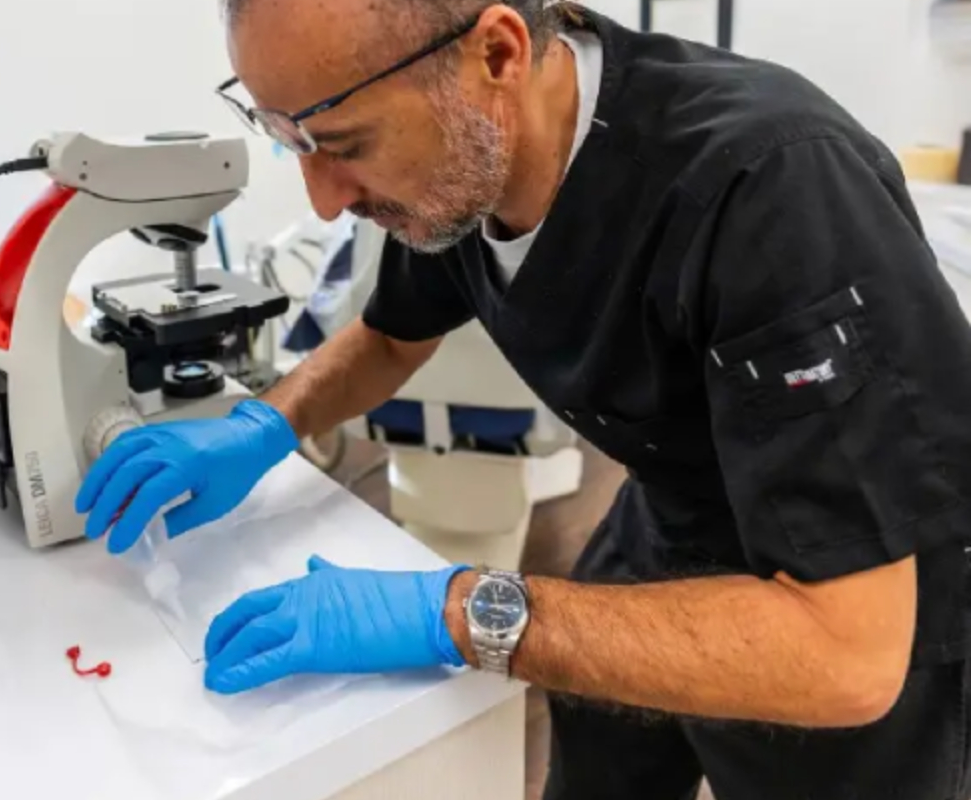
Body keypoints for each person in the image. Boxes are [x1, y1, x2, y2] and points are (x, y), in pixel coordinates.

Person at [74, 2, 971, 798]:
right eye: (294, 144)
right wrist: (262, 425)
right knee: (598, 743)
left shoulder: (770, 188)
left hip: (863, 581)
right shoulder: (466, 159)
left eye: (344, 145)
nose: (323, 200)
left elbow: (846, 656)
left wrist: (461, 610)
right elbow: (391, 336)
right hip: (676, 509)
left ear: (497, 54)